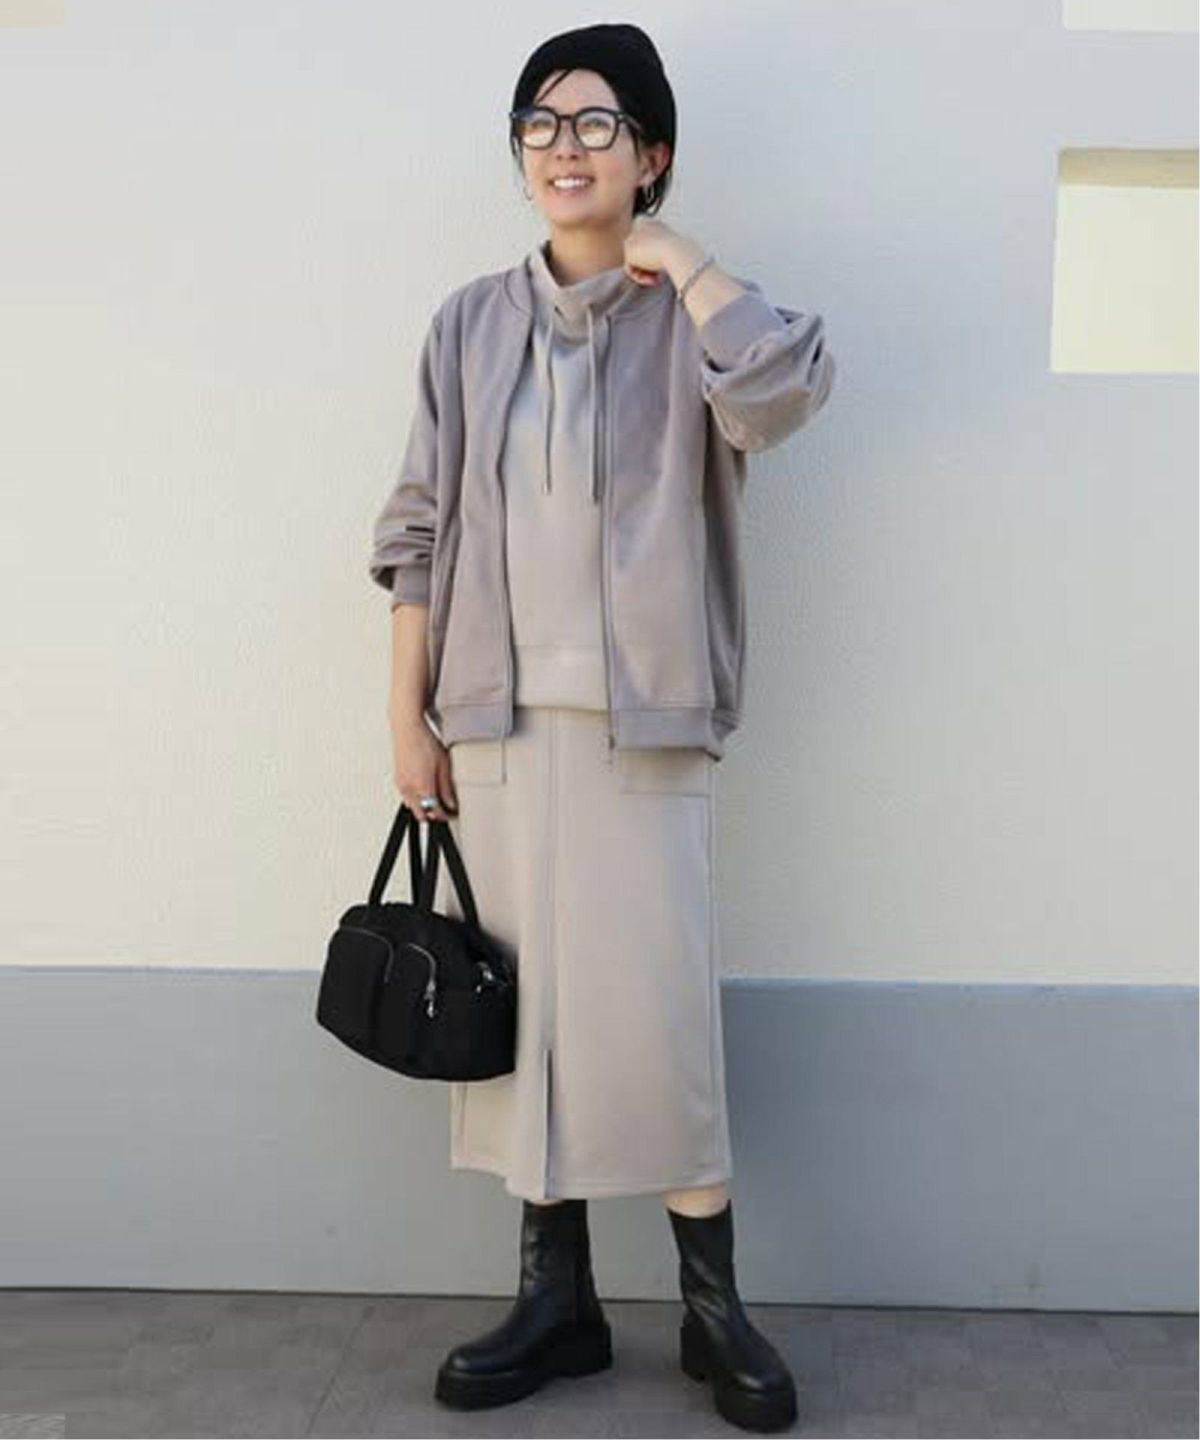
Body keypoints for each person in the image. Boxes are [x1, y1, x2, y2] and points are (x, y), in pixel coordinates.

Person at [369, 22, 834, 1433]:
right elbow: (417, 529)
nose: (562, 147)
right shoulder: (467, 323)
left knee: (658, 1019)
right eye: (540, 124)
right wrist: (406, 714)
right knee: (526, 1022)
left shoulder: (698, 316)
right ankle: (554, 1301)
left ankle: (711, 1309)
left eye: (595, 123)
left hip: (650, 725)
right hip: (496, 725)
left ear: (651, 152)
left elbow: (780, 396)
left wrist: (680, 259)